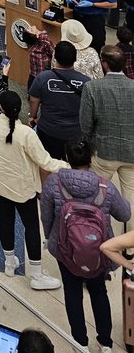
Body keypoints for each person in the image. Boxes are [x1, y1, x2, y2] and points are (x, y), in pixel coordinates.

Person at [41, 136, 130, 353]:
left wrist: (52, 239)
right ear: (91, 158)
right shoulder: (105, 187)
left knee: (72, 294)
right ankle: (106, 343)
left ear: (67, 158)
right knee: (99, 292)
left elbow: (47, 216)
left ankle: (81, 343)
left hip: (65, 250)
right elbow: (125, 215)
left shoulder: (54, 182)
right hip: (99, 252)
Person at [0, 90, 65, 288]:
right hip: (23, 189)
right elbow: (45, 162)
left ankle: (9, 262)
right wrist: (68, 165)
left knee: (5, 220)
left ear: (1, 108)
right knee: (31, 226)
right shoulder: (26, 134)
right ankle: (37, 275)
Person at [80, 44, 134, 231]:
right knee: (131, 198)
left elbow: (85, 124)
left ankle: (94, 233)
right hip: (132, 152)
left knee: (97, 195)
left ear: (104, 64)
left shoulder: (92, 88)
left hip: (103, 152)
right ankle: (129, 245)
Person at [27, 40, 90, 159]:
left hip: (48, 130)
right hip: (75, 133)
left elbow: (33, 100)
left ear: (55, 58)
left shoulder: (43, 78)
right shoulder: (86, 82)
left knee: (47, 162)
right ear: (75, 59)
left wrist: (32, 116)